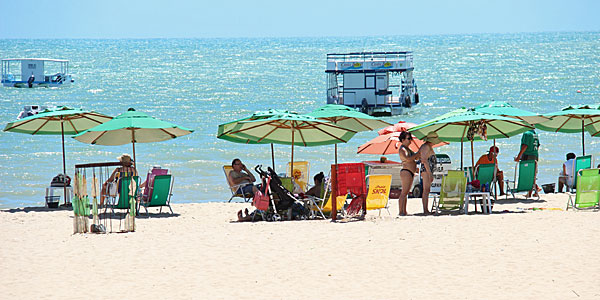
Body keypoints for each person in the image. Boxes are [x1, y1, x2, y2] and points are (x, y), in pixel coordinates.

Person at [397, 131, 420, 216]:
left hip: (410, 172)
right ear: (403, 140)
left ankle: (404, 211)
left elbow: (415, 157)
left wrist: (419, 154)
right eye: (408, 139)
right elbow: (408, 158)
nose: (410, 140)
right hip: (406, 171)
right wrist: (417, 154)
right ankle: (400, 211)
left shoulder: (408, 149)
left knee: (406, 192)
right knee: (403, 193)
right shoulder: (402, 149)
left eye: (411, 138)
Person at [419, 132, 441, 214]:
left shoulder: (427, 146)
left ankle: (426, 209)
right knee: (426, 190)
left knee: (427, 190)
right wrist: (429, 173)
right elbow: (424, 160)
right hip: (426, 171)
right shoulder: (426, 147)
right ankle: (425, 210)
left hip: (427, 170)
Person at [514, 129, 540, 197]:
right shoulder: (535, 133)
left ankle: (533, 190)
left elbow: (525, 146)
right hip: (535, 155)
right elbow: (538, 146)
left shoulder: (526, 133)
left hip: (527, 155)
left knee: (526, 174)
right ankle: (532, 192)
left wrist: (518, 156)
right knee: (532, 174)